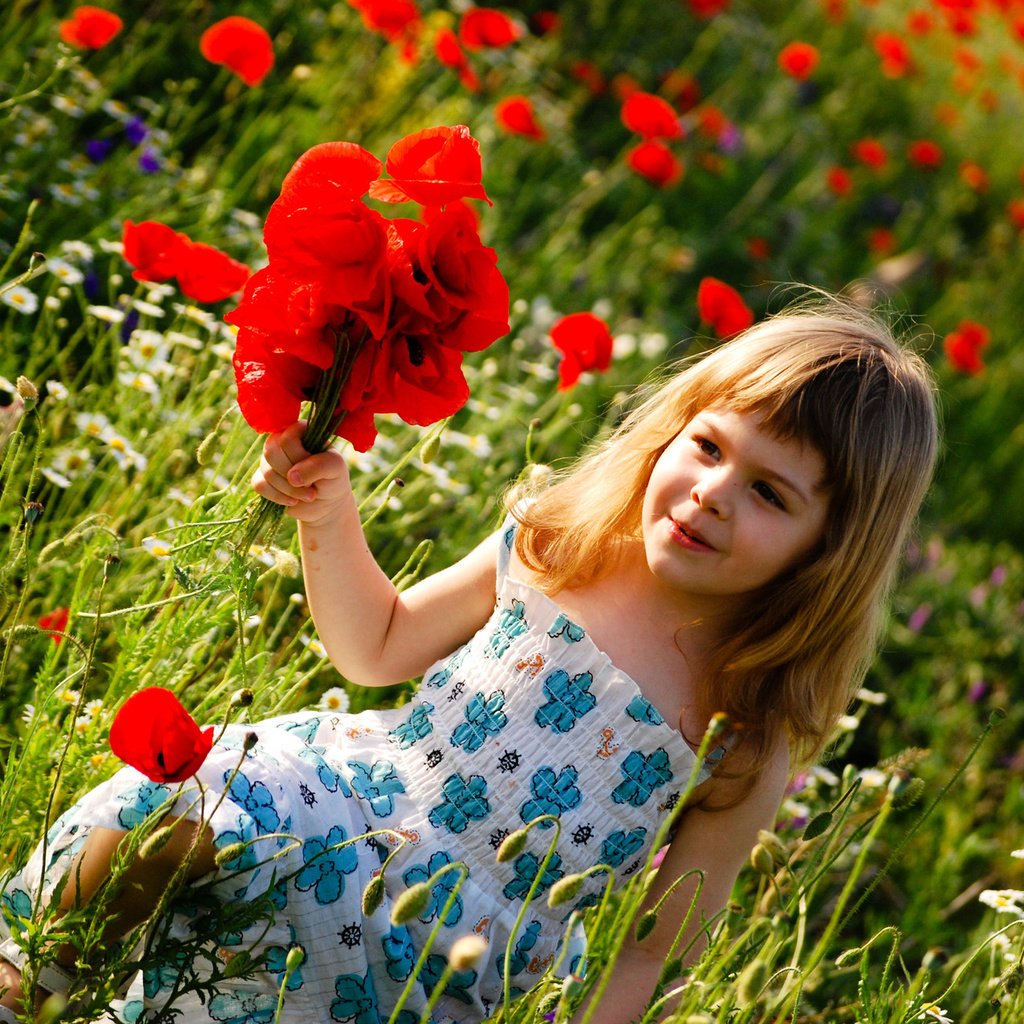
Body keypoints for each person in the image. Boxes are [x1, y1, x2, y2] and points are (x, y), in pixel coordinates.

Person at [0, 296, 938, 1024]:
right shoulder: (557, 547)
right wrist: (329, 519)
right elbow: (377, 645)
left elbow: (655, 952)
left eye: (770, 492)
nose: (712, 494)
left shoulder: (744, 730)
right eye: (706, 446)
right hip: (347, 806)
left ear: (830, 548)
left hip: (452, 958)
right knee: (195, 794)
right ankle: (27, 977)